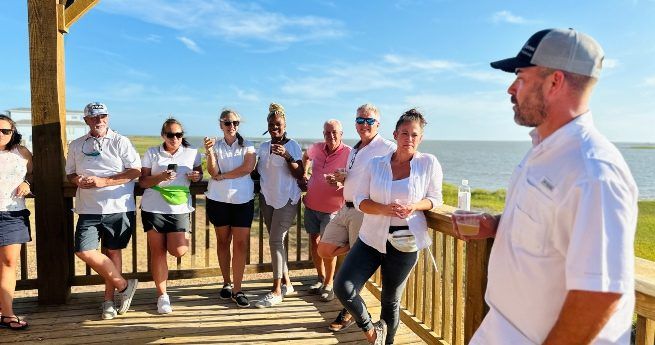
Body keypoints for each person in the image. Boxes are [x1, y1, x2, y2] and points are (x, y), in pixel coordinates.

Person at [453, 29, 639, 345]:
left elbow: (600, 294)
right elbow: (551, 227)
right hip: (501, 329)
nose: (510, 88)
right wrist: (498, 225)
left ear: (555, 82)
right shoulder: (544, 151)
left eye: (521, 78)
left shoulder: (594, 172)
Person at [334, 109, 443, 345]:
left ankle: (387, 341)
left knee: (390, 300)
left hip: (405, 242)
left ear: (421, 138)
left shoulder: (428, 163)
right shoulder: (376, 164)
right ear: (395, 134)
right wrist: (384, 209)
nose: (409, 138)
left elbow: (436, 199)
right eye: (405, 133)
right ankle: (373, 333)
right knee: (344, 286)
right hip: (371, 238)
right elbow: (361, 199)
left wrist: (415, 206)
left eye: (415, 134)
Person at [317, 104, 395, 331]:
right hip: (345, 208)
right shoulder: (355, 150)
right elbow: (357, 176)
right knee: (325, 248)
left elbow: (402, 167)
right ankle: (354, 247)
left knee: (353, 270)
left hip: (364, 212)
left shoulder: (387, 147)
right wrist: (342, 179)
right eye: (360, 121)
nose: (364, 125)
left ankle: (348, 312)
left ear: (377, 124)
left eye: (369, 121)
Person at [65, 102, 140, 320]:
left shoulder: (120, 141)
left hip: (118, 207)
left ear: (108, 117)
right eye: (94, 117)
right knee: (83, 250)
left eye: (103, 116)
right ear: (86, 120)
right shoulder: (76, 144)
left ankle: (109, 300)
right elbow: (70, 173)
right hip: (88, 209)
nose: (99, 120)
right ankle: (124, 286)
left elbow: (135, 171)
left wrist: (104, 181)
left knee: (113, 252)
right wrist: (78, 179)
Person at [139, 118, 202, 314]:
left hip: (180, 209)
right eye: (170, 135)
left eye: (178, 135)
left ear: (182, 135)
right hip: (153, 207)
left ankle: (180, 237)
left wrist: (196, 177)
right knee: (158, 252)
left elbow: (198, 174)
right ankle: (162, 296)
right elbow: (142, 182)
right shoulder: (152, 152)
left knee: (179, 250)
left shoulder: (192, 152)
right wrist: (160, 177)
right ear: (163, 135)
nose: (175, 138)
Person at [253, 103, 304, 308]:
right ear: (267, 125)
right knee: (278, 242)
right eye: (272, 125)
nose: (275, 128)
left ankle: (275, 290)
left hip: (287, 198)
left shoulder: (293, 146)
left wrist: (287, 156)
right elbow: (257, 172)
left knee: (275, 240)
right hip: (267, 198)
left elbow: (299, 173)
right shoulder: (264, 147)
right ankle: (288, 284)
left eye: (279, 125)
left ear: (285, 125)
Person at [204, 109, 256, 308]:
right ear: (221, 125)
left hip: (243, 201)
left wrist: (223, 176)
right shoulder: (215, 146)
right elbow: (212, 170)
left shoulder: (248, 145)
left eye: (235, 122)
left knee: (241, 245)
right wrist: (209, 152)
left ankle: (238, 289)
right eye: (227, 122)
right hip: (218, 200)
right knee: (223, 242)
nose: (231, 126)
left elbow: (247, 168)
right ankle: (226, 282)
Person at [300, 119, 351, 301]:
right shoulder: (317, 148)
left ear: (341, 134)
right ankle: (320, 278)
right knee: (314, 242)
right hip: (312, 205)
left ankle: (329, 284)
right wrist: (305, 173)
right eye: (327, 132)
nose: (331, 136)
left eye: (334, 132)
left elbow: (355, 179)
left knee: (328, 247)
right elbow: (305, 157)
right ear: (323, 134)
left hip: (333, 210)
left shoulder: (349, 153)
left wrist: (340, 182)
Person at [0, 115, 32, 330]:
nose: (1, 134)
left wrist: (27, 183)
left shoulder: (21, 152)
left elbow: (33, 174)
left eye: (6, 131)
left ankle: (7, 314)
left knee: (9, 263)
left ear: (13, 133)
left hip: (12, 214)